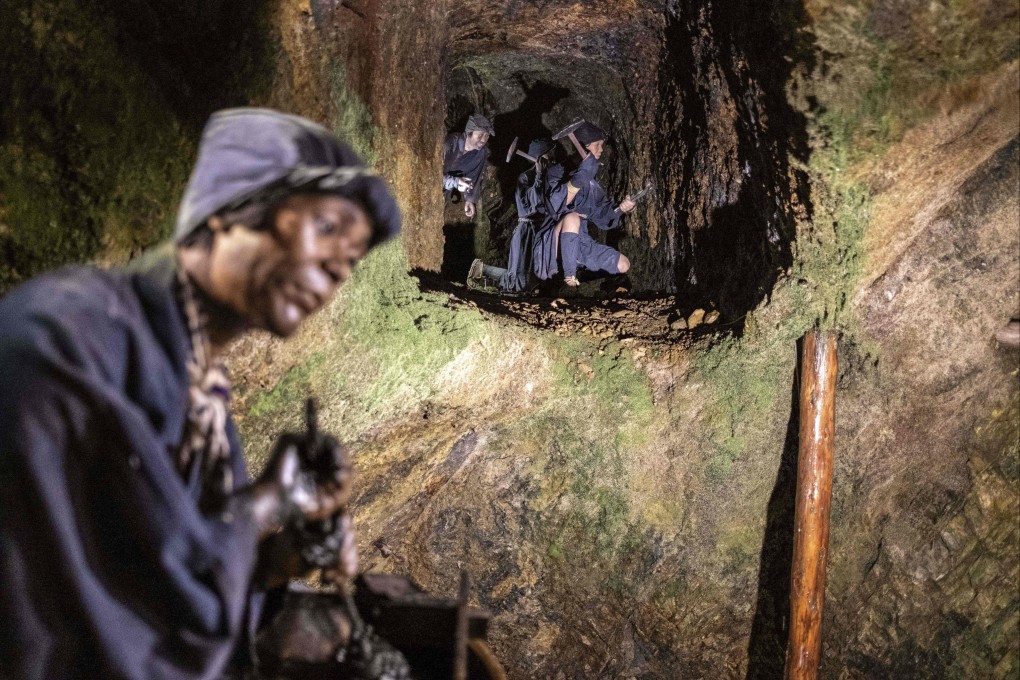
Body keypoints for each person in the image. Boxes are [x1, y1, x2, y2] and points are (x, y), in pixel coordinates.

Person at [0, 108, 402, 680]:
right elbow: (123, 617)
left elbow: (152, 558)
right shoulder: (66, 341)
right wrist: (263, 506)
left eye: (352, 259)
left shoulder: (199, 383)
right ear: (228, 211)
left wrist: (278, 557)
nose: (338, 267)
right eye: (328, 228)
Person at [534, 121, 635, 287]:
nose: (601, 150)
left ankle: (579, 274)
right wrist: (577, 181)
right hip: (554, 242)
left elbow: (602, 215)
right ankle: (568, 274)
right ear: (585, 147)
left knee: (624, 264)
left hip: (582, 241)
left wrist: (620, 209)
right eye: (597, 145)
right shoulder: (556, 172)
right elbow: (555, 206)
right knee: (572, 217)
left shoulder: (591, 182)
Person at [467, 138, 553, 294]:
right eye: (548, 155)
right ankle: (482, 269)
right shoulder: (525, 178)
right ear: (539, 157)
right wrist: (540, 175)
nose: (552, 158)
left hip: (538, 230)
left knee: (532, 275)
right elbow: (535, 202)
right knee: (518, 277)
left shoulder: (546, 177)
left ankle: (485, 271)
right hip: (526, 230)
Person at [442, 113, 494, 219]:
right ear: (469, 132)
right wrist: (456, 182)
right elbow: (431, 176)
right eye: (480, 135)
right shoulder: (449, 144)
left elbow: (475, 176)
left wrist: (470, 199)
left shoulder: (480, 153)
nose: (483, 140)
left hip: (442, 195)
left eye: (487, 136)